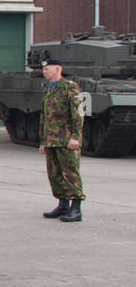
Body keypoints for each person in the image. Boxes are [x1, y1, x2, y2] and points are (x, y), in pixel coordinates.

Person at [38, 52, 85, 222]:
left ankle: (76, 208)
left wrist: (75, 137)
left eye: (47, 68)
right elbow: (44, 117)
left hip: (66, 139)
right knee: (55, 174)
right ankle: (63, 205)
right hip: (51, 140)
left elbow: (79, 114)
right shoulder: (48, 89)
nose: (44, 71)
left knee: (70, 172)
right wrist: (43, 140)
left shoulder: (70, 87)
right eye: (43, 69)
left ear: (58, 69)